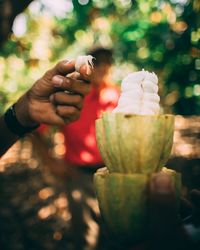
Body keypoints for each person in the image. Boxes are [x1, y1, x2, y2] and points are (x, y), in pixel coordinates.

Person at [35, 47, 120, 249]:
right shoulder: (71, 97)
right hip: (79, 175)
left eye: (108, 61)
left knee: (117, 231)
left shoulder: (117, 95)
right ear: (88, 67)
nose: (104, 66)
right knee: (86, 236)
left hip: (113, 174)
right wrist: (50, 162)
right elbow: (36, 128)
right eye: (98, 62)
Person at [0, 59, 91, 157]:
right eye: (96, 62)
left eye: (106, 61)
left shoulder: (108, 94)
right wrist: (50, 162)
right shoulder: (75, 93)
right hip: (74, 167)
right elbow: (37, 133)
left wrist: (26, 109)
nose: (103, 67)